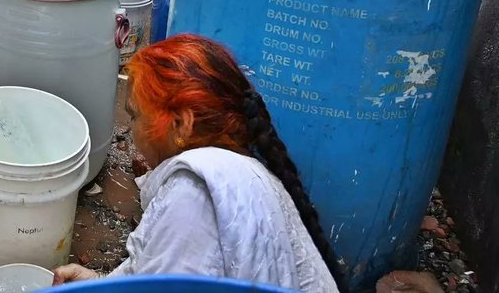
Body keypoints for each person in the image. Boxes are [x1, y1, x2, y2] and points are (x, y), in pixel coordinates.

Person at [52, 34, 342, 292]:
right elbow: (163, 274)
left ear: (180, 125)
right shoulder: (242, 172)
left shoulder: (193, 194)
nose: (133, 132)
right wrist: (101, 284)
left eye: (136, 116)